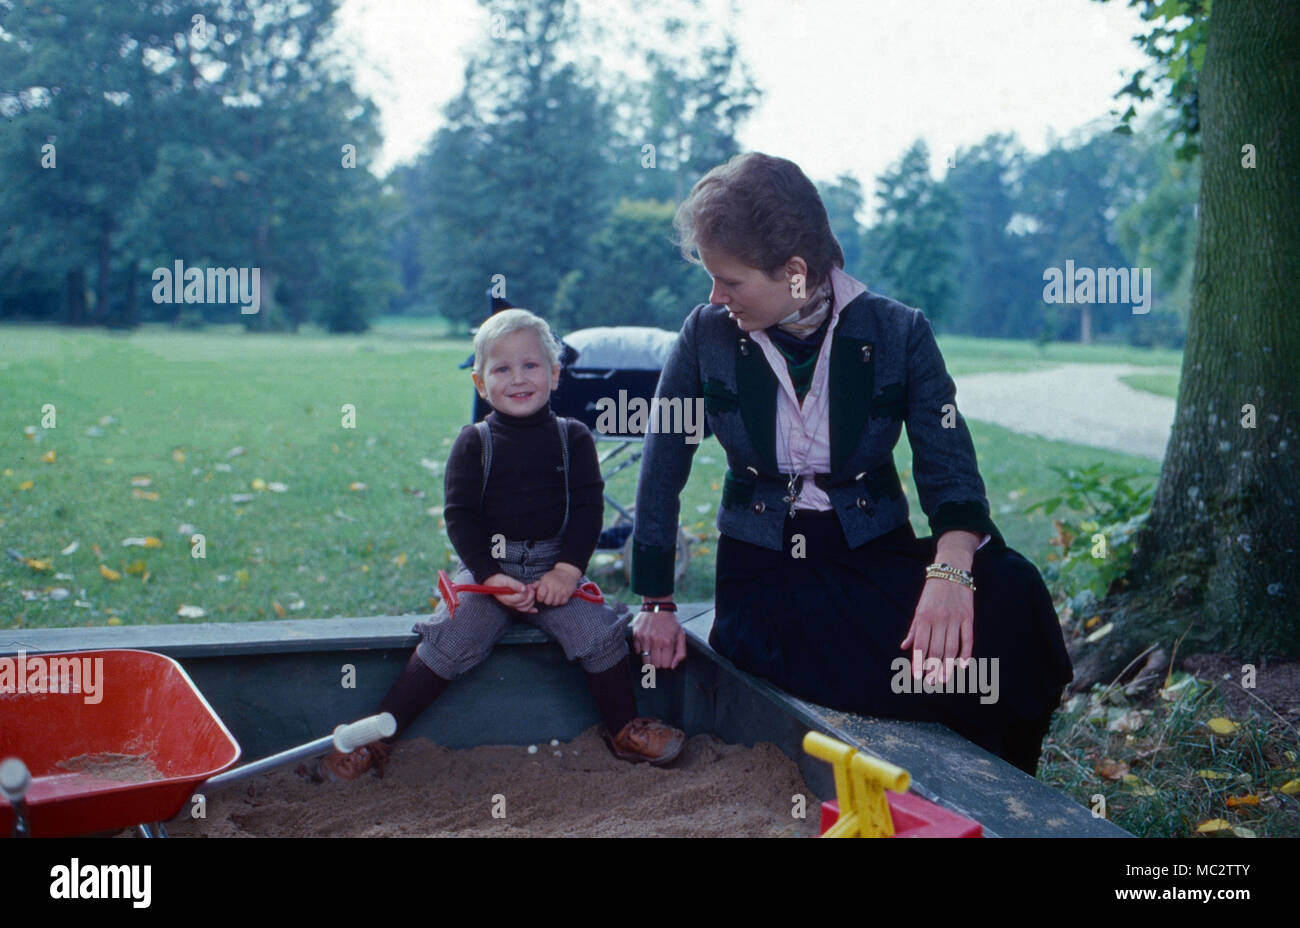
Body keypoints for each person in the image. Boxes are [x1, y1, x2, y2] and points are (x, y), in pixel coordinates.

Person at [629, 153, 1072, 777]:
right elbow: (662, 466)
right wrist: (657, 600)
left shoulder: (898, 332)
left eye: (729, 281)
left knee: (1014, 593)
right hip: (766, 579)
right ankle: (940, 757)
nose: (715, 296)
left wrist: (951, 572)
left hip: (871, 556)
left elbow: (949, 465)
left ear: (795, 273)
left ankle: (1008, 786)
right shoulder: (706, 334)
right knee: (911, 659)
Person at [316, 309, 685, 781]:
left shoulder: (574, 438)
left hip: (554, 567)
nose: (518, 378)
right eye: (502, 369)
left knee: (597, 632)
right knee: (453, 635)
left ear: (555, 374)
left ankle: (624, 729)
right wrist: (491, 576)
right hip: (489, 570)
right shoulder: (474, 443)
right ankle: (378, 737)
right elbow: (461, 518)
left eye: (531, 365)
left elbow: (587, 510)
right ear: (480, 382)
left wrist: (567, 571)